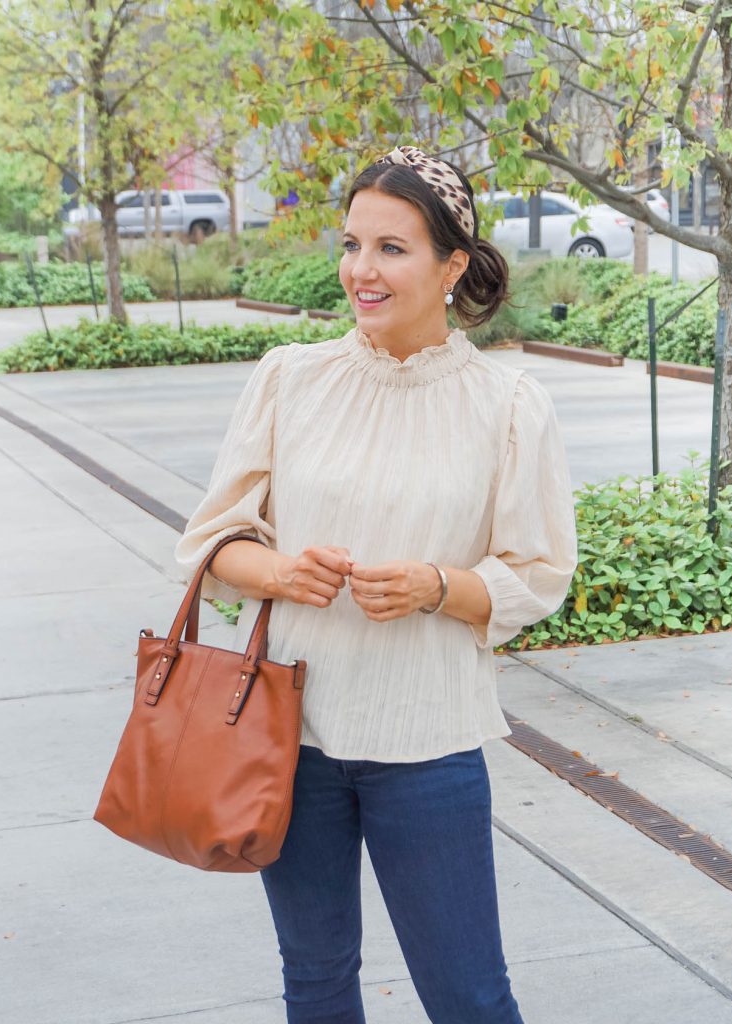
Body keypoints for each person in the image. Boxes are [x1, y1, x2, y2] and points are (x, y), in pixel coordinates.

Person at [174, 144, 578, 1024]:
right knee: (315, 984)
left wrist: (437, 586)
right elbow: (208, 546)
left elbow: (538, 572)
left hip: (427, 745)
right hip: (288, 734)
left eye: (391, 248)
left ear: (452, 265)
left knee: (469, 997)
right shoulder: (290, 378)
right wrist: (281, 569)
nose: (362, 269)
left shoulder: (507, 404)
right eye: (352, 244)